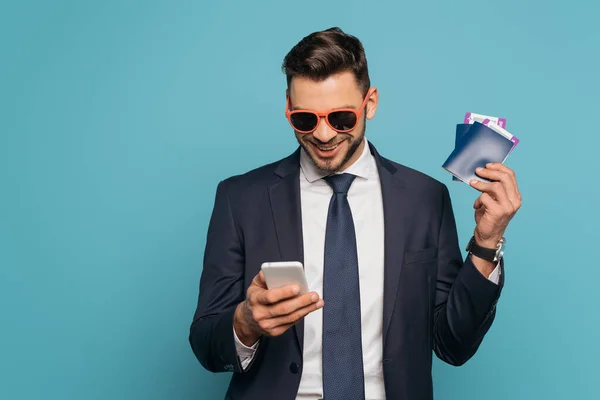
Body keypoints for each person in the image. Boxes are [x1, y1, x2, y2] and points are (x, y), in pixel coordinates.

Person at [189, 27, 521, 400]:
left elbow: (453, 344)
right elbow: (205, 344)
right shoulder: (240, 198)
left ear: (371, 102)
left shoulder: (425, 198)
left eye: (342, 118)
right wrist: (245, 323)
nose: (325, 135)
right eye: (305, 120)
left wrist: (486, 243)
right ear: (287, 107)